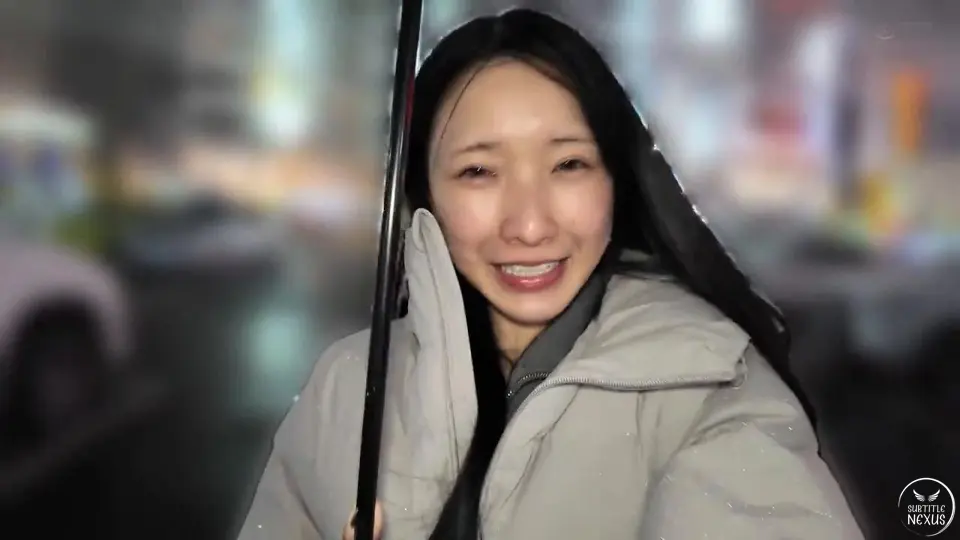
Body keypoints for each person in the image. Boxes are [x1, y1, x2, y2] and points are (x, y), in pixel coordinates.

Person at [237, 9, 862, 540]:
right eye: (479, 172)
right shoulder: (349, 388)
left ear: (616, 181)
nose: (530, 225)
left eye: (568, 165)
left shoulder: (711, 393)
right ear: (423, 195)